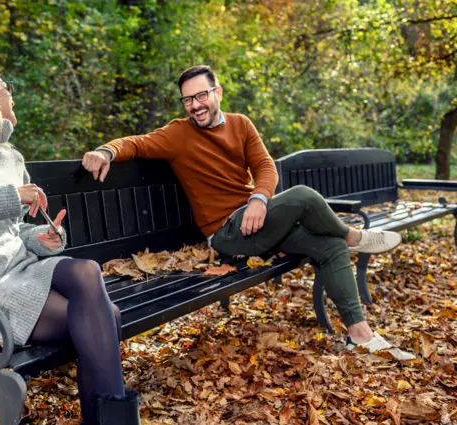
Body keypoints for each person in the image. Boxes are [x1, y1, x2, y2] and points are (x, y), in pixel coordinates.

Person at [82, 65, 415, 361]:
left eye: (201, 95)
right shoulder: (178, 134)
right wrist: (105, 151)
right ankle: (355, 235)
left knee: (331, 247)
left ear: (218, 93)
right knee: (303, 196)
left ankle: (360, 334)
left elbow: (265, 166)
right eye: (187, 100)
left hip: (259, 222)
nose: (195, 105)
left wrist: (258, 198)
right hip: (228, 234)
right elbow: (137, 143)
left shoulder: (241, 125)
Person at [0, 58, 140, 424]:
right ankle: (112, 419)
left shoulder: (10, 156)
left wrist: (42, 237)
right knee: (107, 317)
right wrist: (9, 196)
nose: (11, 95)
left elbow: (13, 230)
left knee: (87, 272)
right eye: (5, 86)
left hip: (21, 271)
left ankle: (105, 420)